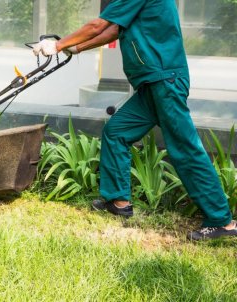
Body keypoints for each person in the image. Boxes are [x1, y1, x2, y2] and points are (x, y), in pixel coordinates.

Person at [32, 0, 236, 241]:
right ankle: (119, 202)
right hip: (153, 84)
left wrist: (58, 45)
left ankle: (222, 220)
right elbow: (115, 29)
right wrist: (75, 48)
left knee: (185, 148)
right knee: (117, 131)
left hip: (164, 82)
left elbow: (98, 25)